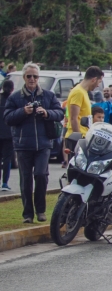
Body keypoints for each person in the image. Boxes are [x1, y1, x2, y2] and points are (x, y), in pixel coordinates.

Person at [4, 64, 63, 221]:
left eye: (35, 76)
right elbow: (7, 118)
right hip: (23, 145)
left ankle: (41, 210)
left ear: (38, 78)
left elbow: (60, 113)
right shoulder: (15, 97)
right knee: (25, 179)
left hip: (43, 144)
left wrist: (46, 113)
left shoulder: (48, 96)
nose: (32, 79)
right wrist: (23, 111)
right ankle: (28, 214)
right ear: (24, 77)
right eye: (29, 76)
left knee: (41, 175)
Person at [65, 66, 104, 167]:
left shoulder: (83, 92)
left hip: (84, 136)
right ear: (94, 79)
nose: (98, 86)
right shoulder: (78, 92)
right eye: (99, 82)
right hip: (77, 138)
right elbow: (73, 118)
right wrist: (78, 140)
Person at [0, 78, 13, 191]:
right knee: (7, 159)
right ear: (12, 89)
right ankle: (5, 182)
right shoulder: (12, 100)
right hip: (9, 134)